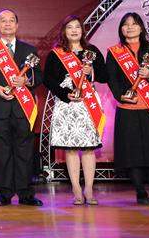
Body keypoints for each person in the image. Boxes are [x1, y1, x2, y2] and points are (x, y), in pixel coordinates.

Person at [106, 12, 149, 205]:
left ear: (141, 27)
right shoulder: (114, 52)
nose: (130, 27)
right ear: (121, 29)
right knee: (132, 151)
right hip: (127, 108)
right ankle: (140, 192)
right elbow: (112, 78)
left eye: (134, 24)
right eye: (125, 24)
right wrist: (121, 95)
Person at [0, 9, 43, 206]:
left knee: (25, 152)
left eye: (11, 20)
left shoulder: (29, 50)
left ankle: (25, 193)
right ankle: (4, 193)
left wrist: (26, 81)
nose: (7, 24)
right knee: (1, 152)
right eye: (3, 21)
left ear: (17, 25)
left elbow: (39, 76)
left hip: (23, 109)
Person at [43, 15, 107, 205]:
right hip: (67, 104)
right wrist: (65, 94)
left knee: (88, 148)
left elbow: (105, 75)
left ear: (82, 30)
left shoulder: (92, 51)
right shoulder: (57, 53)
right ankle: (76, 188)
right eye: (69, 27)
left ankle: (89, 188)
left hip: (88, 104)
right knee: (70, 149)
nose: (74, 30)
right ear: (64, 31)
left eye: (77, 27)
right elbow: (48, 79)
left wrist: (91, 72)